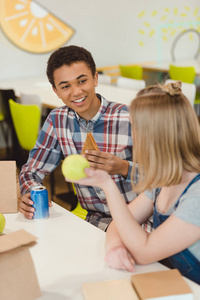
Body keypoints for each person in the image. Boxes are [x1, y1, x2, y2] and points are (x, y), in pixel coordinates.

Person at [65, 81, 200, 284]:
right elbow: (119, 224)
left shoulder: (196, 195)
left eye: (134, 127)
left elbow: (145, 251)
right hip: (177, 283)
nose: (132, 135)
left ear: (154, 137)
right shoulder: (164, 178)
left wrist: (107, 185)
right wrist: (115, 246)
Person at [19, 45, 138, 231]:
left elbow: (167, 177)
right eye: (65, 86)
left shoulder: (130, 117)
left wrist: (123, 167)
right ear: (56, 91)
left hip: (139, 218)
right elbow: (31, 172)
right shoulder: (57, 120)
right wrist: (30, 193)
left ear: (95, 78)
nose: (75, 92)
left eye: (82, 81)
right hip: (96, 222)